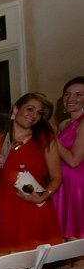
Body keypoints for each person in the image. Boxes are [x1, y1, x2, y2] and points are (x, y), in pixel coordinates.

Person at [0, 92, 64, 254]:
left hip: (33, 206)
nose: (34, 115)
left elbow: (56, 177)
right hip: (3, 207)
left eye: (39, 113)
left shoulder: (44, 140)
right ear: (15, 109)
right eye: (30, 109)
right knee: (3, 263)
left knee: (33, 266)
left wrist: (43, 196)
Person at [54, 76, 84, 239]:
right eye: (67, 94)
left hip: (77, 186)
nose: (71, 98)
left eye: (78, 94)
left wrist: (52, 138)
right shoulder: (64, 124)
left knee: (76, 239)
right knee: (62, 240)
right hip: (62, 184)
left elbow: (74, 160)